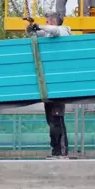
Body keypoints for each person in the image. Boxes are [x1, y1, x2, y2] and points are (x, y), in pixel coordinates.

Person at [26, 12, 71, 158]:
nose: (45, 24)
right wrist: (31, 28)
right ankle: (56, 150)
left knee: (56, 121)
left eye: (47, 21)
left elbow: (54, 30)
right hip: (48, 85)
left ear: (53, 22)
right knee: (51, 121)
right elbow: (36, 34)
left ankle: (61, 151)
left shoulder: (64, 30)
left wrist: (39, 26)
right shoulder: (49, 36)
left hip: (59, 84)